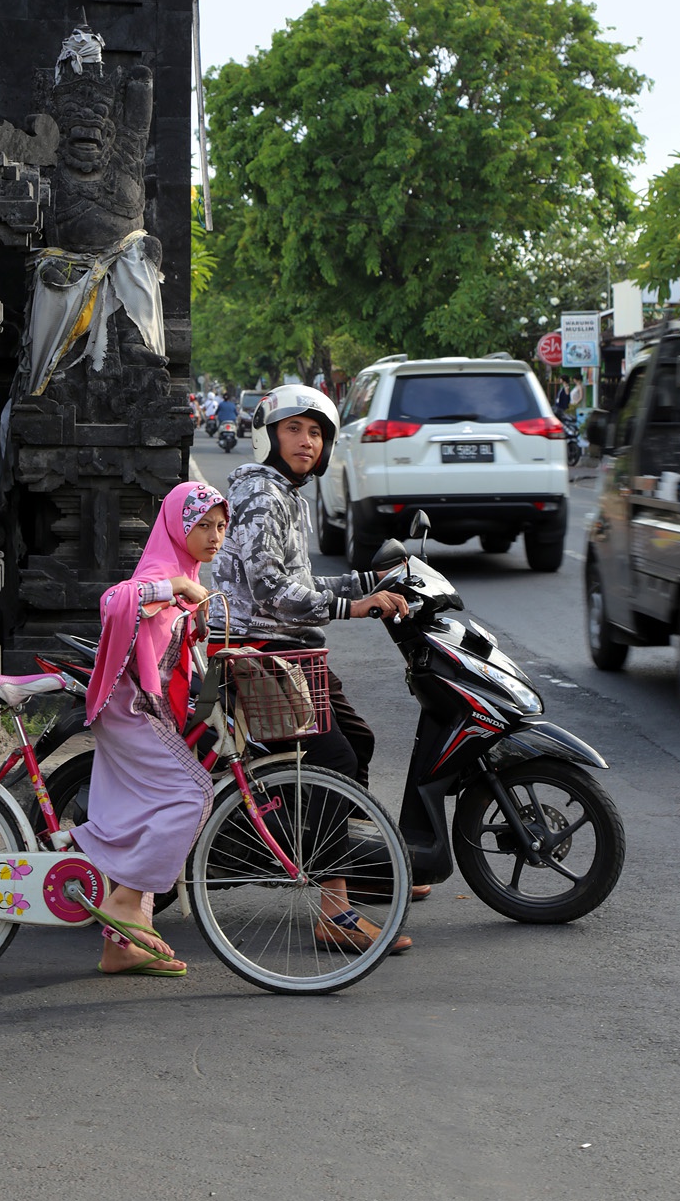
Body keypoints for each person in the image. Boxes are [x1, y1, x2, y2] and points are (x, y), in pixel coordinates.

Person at [210, 385, 426, 955]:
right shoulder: (261, 494)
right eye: (294, 429)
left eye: (317, 432)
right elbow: (272, 590)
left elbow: (299, 581)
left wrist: (369, 584)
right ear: (269, 435)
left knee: (357, 740)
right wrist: (350, 606)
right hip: (262, 652)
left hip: (293, 651)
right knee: (334, 759)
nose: (307, 441)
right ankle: (333, 907)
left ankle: (355, 870)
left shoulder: (286, 494)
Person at [73, 480, 229, 976]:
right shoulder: (162, 573)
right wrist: (174, 589)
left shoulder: (187, 572)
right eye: (202, 524)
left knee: (152, 808)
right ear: (176, 525)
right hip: (129, 708)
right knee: (191, 794)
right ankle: (127, 901)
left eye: (221, 526)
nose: (214, 536)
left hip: (150, 707)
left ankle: (119, 947)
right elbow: (115, 602)